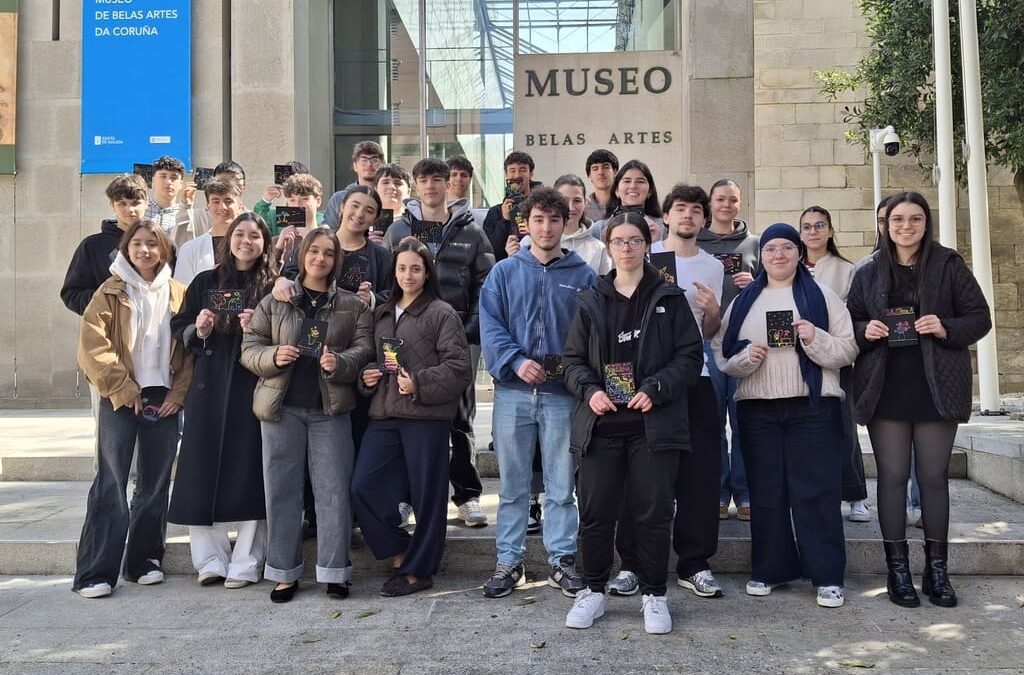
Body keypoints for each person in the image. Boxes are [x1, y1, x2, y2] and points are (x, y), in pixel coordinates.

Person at [847, 191, 991, 608]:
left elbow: (979, 317)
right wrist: (865, 330)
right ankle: (898, 571)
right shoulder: (869, 269)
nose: (905, 227)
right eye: (897, 220)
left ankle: (937, 570)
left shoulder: (948, 264)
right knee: (891, 478)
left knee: (932, 477)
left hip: (936, 385)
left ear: (926, 223)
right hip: (885, 385)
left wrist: (945, 326)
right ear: (885, 224)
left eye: (914, 219)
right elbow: (849, 318)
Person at [561, 212, 703, 634]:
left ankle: (654, 595)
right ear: (608, 246)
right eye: (618, 241)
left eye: (634, 241)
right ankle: (592, 592)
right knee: (596, 513)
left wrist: (657, 387)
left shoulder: (669, 298)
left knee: (654, 513)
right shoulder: (590, 300)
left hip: (653, 426)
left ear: (648, 244)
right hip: (601, 426)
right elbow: (571, 361)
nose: (626, 248)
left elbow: (690, 357)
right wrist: (590, 391)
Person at [713, 222, 858, 609]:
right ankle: (769, 569)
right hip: (758, 408)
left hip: (812, 405)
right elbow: (723, 355)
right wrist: (747, 358)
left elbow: (847, 350)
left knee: (817, 491)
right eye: (771, 249)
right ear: (761, 257)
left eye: (787, 248)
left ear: (798, 253)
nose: (778, 255)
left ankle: (827, 575)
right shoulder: (743, 301)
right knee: (766, 491)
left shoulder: (822, 297)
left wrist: (814, 338)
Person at [240, 228, 374, 603]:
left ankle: (335, 571)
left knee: (333, 491)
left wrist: (340, 362)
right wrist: (273, 356)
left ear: (336, 260)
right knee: (282, 491)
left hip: (329, 410)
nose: (320, 259)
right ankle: (284, 572)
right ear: (302, 256)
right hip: (280, 409)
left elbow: (365, 348)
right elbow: (249, 347)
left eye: (328, 253)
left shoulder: (353, 305)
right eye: (313, 251)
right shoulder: (276, 299)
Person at [479, 187, 596, 599]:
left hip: (562, 394)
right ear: (526, 223)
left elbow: (591, 334)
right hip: (513, 392)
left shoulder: (584, 276)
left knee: (562, 485)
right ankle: (509, 562)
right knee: (512, 485)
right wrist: (514, 360)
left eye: (554, 220)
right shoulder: (505, 272)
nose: (546, 228)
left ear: (566, 224)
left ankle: (562, 561)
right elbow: (490, 324)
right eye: (538, 220)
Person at [609, 184, 725, 600]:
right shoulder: (645, 258)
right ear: (667, 217)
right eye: (681, 209)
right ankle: (632, 564)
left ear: (704, 219)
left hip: (696, 380)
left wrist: (713, 312)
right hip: (644, 386)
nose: (689, 216)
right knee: (637, 480)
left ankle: (695, 563)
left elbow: (709, 333)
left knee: (700, 478)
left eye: (697, 210)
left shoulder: (713, 266)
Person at [72, 220, 191, 598]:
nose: (145, 251)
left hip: (164, 396)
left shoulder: (179, 293)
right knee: (112, 480)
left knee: (155, 482)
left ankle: (143, 560)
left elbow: (189, 352)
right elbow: (94, 347)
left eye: (152, 245)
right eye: (137, 244)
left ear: (164, 250)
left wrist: (179, 394)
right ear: (126, 249)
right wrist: (123, 389)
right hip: (120, 396)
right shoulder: (109, 291)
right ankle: (95, 571)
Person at [352, 239, 474, 596]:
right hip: (385, 413)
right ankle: (400, 550)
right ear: (394, 271)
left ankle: (419, 571)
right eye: (402, 268)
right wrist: (367, 377)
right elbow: (377, 361)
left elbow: (459, 368)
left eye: (416, 268)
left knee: (428, 496)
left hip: (426, 417)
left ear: (427, 272)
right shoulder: (383, 312)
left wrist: (418, 382)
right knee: (363, 486)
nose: (408, 275)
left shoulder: (441, 312)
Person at [168, 212, 276, 589]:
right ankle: (210, 559)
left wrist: (256, 329)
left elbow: (287, 332)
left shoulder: (272, 285)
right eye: (240, 234)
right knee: (201, 471)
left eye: (255, 236)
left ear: (266, 243)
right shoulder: (204, 281)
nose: (247, 242)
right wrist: (198, 329)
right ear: (229, 239)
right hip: (208, 386)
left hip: (253, 386)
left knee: (250, 475)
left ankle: (248, 560)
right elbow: (177, 325)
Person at [386, 158, 495, 527]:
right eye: (423, 180)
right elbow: (389, 281)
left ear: (449, 184)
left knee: (460, 420)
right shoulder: (399, 228)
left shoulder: (471, 229)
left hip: (458, 336)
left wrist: (470, 330)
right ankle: (405, 496)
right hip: (409, 335)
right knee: (406, 416)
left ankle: (467, 496)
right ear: (415, 185)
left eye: (437, 179)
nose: (431, 186)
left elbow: (485, 283)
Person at [798, 205, 869, 523]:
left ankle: (855, 496)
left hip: (837, 356)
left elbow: (853, 315)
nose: (813, 232)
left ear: (830, 231)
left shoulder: (847, 269)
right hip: (796, 360)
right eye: (807, 227)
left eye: (819, 225)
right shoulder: (790, 265)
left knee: (843, 427)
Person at [697, 178, 759, 521]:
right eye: (720, 198)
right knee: (712, 423)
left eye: (732, 200)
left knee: (743, 421)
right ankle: (718, 491)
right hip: (707, 341)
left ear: (739, 203)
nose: (726, 205)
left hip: (743, 344)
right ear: (710, 202)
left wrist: (755, 284)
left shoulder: (756, 243)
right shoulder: (695, 243)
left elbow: (773, 287)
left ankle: (745, 492)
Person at [509, 174, 612, 275]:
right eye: (564, 200)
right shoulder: (529, 242)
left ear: (585, 202)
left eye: (577, 201)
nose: (571, 207)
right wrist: (511, 257)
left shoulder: (598, 248)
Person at [174, 177, 245, 286]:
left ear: (240, 206)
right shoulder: (190, 249)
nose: (222, 207)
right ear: (208, 206)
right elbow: (182, 291)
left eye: (228, 201)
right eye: (216, 201)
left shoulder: (249, 247)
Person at [483, 150, 541, 261]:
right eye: (512, 171)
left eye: (523, 170)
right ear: (507, 175)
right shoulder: (495, 212)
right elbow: (490, 251)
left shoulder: (542, 208)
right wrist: (504, 220)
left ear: (531, 173)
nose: (517, 175)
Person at [590, 159, 663, 242]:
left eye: (640, 181)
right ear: (616, 191)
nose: (633, 186)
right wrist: (606, 242)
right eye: (627, 181)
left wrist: (655, 243)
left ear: (650, 191)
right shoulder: (599, 229)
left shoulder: (662, 228)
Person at [270, 173, 329, 271]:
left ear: (318, 201)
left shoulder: (328, 238)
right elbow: (266, 277)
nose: (298, 205)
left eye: (304, 199)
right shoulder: (276, 242)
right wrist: (279, 248)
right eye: (292, 200)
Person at [324, 140, 385, 229]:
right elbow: (329, 231)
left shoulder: (388, 197)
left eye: (374, 160)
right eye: (364, 160)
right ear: (355, 166)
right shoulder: (339, 198)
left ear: (382, 164)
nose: (369, 165)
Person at [146, 155, 198, 247]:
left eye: (174, 178)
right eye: (163, 176)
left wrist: (187, 207)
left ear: (181, 184)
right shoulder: (140, 209)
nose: (168, 182)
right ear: (153, 180)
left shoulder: (185, 214)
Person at [189, 161, 248, 237]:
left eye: (235, 180)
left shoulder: (252, 219)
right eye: (222, 181)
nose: (227, 185)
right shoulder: (198, 217)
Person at [252, 160, 310, 229]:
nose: (293, 187)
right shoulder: (275, 216)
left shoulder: (317, 216)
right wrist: (265, 200)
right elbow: (258, 225)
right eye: (289, 183)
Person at [583, 149, 619, 223]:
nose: (600, 172)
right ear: (589, 175)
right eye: (595, 168)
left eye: (606, 167)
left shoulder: (625, 203)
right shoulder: (583, 207)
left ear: (615, 171)